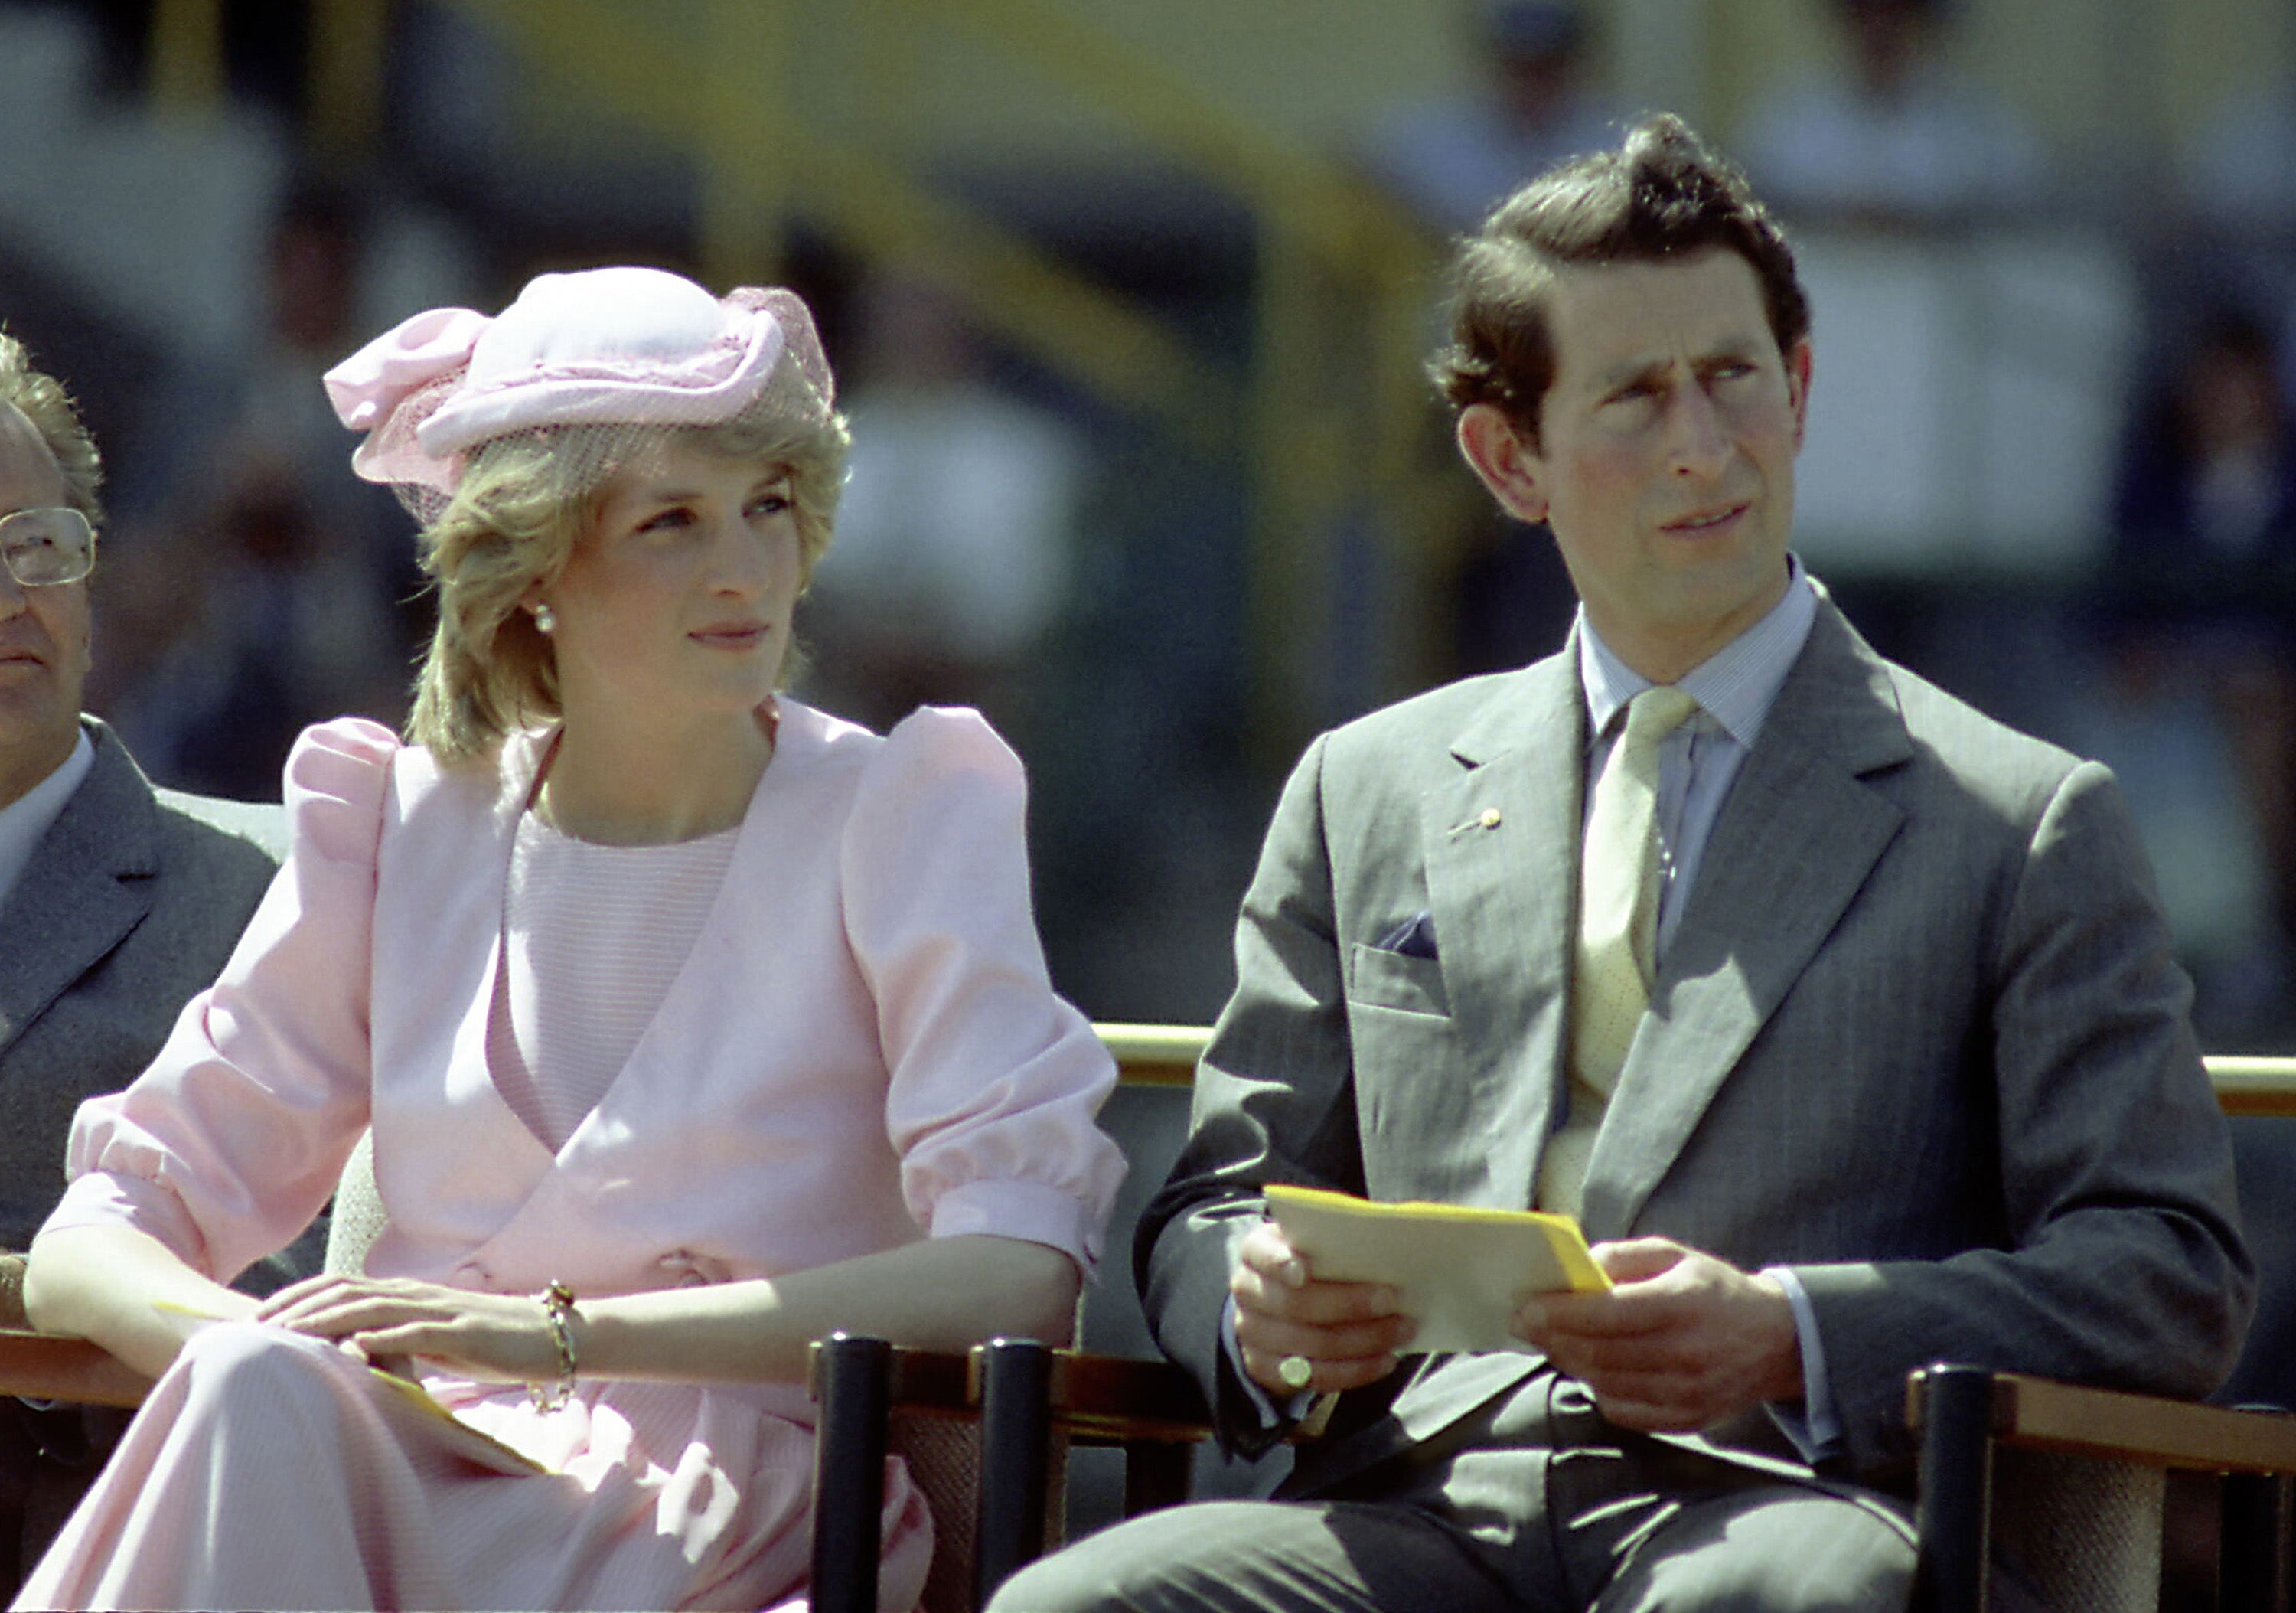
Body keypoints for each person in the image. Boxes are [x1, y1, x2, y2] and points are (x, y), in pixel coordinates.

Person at [990, 116, 2250, 1613]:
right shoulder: (1365, 790)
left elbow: (2170, 1266)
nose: (1704, 450)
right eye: (1638, 399)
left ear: (1799, 385)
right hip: (1419, 1504)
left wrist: (1795, 1328)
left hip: (1791, 1500)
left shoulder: (2020, 815)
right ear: (1508, 459)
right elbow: (1216, 1203)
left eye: (1731, 377)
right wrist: (1260, 1307)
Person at [15, 265, 1126, 1613]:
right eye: (670, 522)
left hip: (711, 1511)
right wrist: (274, 1347)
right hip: (385, 1461)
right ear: (534, 570)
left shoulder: (900, 809)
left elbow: (1018, 1260)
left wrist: (555, 1339)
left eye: (767, 506)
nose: (745, 569)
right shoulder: (401, 820)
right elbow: (97, 1238)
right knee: (255, 1393)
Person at [0, 329, 290, 1593]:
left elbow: (292, 1285)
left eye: (41, 545)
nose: (14, 595)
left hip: (81, 1507)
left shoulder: (252, 899)